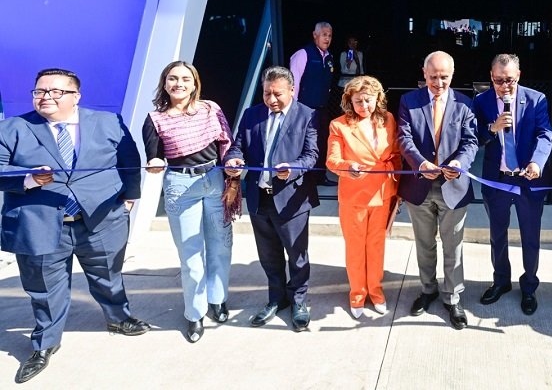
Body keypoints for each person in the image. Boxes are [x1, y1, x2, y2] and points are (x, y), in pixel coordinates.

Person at [0, 68, 150, 384]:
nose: (46, 97)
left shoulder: (109, 122)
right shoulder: (13, 128)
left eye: (56, 91)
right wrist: (28, 179)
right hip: (40, 223)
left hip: (101, 219)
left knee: (108, 274)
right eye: (39, 91)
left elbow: (129, 161)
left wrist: (130, 197)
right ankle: (45, 344)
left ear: (76, 96)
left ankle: (118, 317)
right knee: (44, 288)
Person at [142, 61, 236, 343]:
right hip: (180, 186)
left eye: (185, 79)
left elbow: (227, 145)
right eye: (172, 78)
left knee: (221, 246)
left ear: (195, 83)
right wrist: (154, 162)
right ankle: (195, 313)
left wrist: (233, 173)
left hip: (215, 180)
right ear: (165, 83)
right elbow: (154, 155)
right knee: (191, 256)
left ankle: (217, 299)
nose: (179, 84)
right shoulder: (155, 119)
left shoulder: (211, 109)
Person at [224, 66, 318, 332]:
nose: (272, 99)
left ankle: (298, 301)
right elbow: (238, 146)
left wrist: (293, 168)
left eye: (278, 94)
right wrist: (233, 159)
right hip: (259, 198)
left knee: (297, 256)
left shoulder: (308, 115)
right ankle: (277, 299)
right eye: (267, 93)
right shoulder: (251, 114)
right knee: (268, 256)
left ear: (292, 90)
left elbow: (312, 155)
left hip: (291, 199)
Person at [397, 51, 478, 329]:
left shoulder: (465, 104)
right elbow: (404, 139)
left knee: (453, 246)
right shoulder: (409, 101)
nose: (439, 82)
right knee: (424, 244)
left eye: (444, 77)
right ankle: (428, 289)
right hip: (419, 186)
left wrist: (459, 163)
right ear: (424, 73)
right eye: (433, 77)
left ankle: (453, 297)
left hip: (453, 187)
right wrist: (420, 164)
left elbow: (470, 142)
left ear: (452, 75)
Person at [473, 54, 552, 315]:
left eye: (509, 80)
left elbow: (545, 134)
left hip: (528, 179)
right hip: (497, 180)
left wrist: (537, 162)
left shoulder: (535, 99)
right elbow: (474, 137)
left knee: (530, 236)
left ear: (518, 75)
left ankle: (529, 287)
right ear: (491, 76)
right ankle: (501, 281)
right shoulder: (482, 101)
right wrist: (492, 128)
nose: (504, 86)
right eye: (498, 80)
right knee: (497, 235)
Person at [326, 75, 400, 318]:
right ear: (349, 101)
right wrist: (348, 166)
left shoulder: (388, 120)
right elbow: (332, 160)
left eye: (368, 100)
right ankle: (357, 294)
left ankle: (376, 291)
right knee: (356, 247)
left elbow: (396, 153)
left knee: (376, 246)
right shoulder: (339, 125)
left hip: (382, 193)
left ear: (378, 99)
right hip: (354, 195)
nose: (364, 106)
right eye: (358, 101)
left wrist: (395, 180)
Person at [290, 21, 335, 186]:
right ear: (315, 35)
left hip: (322, 108)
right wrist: (293, 109)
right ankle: (304, 177)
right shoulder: (303, 54)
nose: (327, 38)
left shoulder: (329, 57)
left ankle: (320, 176)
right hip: (304, 109)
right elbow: (294, 84)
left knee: (322, 142)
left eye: (329, 35)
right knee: (306, 144)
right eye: (324, 35)